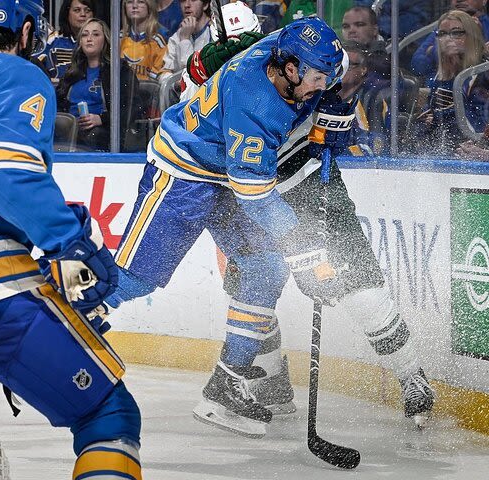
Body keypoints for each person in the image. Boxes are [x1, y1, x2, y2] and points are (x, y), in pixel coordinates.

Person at [103, 16, 346, 438]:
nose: (322, 83)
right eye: (316, 77)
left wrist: (331, 108)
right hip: (186, 171)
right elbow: (256, 194)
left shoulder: (293, 49)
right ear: (289, 68)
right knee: (134, 280)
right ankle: (53, 328)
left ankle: (227, 384)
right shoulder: (255, 102)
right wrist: (306, 250)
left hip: (228, 174)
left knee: (266, 268)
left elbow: (330, 67)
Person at [184, 24, 435, 430]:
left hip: (310, 186)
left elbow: (340, 114)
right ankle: (271, 384)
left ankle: (412, 376)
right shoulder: (233, 79)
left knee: (356, 285)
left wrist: (336, 124)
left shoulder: (309, 60)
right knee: (253, 285)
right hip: (249, 196)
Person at [0, 1, 142, 478]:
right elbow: (5, 171)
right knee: (108, 416)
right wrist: (67, 241)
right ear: (28, 30)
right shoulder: (13, 71)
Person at [56, 18, 141, 151]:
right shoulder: (71, 73)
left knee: (93, 136)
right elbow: (58, 105)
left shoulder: (119, 70)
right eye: (85, 35)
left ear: (105, 40)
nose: (89, 38)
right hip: (68, 132)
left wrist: (102, 119)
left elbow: (131, 108)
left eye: (95, 34)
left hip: (101, 134)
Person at [411, 10, 488, 155]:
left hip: (472, 153)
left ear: (471, 36)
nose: (448, 39)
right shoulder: (439, 77)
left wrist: (442, 116)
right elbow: (424, 122)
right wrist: (426, 122)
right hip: (439, 152)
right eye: (442, 34)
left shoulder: (482, 74)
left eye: (456, 33)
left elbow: (480, 128)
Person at [411, 0, 489, 79]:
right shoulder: (444, 24)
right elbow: (417, 65)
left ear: (484, 1)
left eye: (457, 33)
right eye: (443, 34)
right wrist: (440, 50)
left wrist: (430, 50)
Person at [36, 0, 95, 84]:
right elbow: (34, 69)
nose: (83, 14)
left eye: (87, 10)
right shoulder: (52, 41)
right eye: (77, 10)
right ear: (67, 13)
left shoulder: (101, 41)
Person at [160, 0, 212, 79]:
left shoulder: (214, 33)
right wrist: (175, 84)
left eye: (193, 0)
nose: (186, 5)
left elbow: (195, 75)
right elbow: (163, 73)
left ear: (205, 5)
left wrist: (185, 40)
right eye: (183, 0)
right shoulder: (177, 36)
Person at [121, 0, 168, 82]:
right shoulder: (119, 39)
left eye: (141, 1)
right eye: (130, 2)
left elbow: (159, 77)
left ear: (149, 7)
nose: (134, 6)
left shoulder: (159, 39)